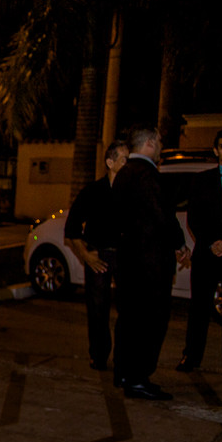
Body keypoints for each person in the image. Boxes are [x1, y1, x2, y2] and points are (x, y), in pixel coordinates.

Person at [111, 126, 191, 400]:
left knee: (129, 318)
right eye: (158, 141)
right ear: (147, 143)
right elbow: (162, 215)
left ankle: (123, 372)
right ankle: (138, 378)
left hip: (128, 260)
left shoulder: (123, 174)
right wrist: (179, 244)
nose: (160, 145)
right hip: (149, 263)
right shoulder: (147, 175)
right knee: (150, 321)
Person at [178, 127, 222, 373]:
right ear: (216, 150)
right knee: (199, 309)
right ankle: (191, 357)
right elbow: (194, 217)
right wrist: (211, 241)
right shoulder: (201, 180)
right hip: (207, 254)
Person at [65, 139, 129, 371]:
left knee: (129, 308)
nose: (128, 164)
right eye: (124, 159)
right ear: (110, 162)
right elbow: (71, 228)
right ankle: (99, 355)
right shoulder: (92, 191)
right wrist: (86, 255)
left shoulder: (134, 193)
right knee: (97, 309)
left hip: (126, 257)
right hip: (98, 256)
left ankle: (125, 357)